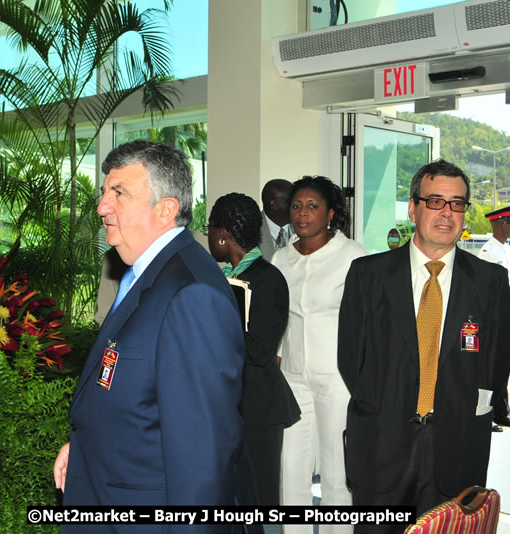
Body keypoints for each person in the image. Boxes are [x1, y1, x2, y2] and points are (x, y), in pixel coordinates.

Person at [53, 140, 246, 533]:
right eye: (104, 192)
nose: (102, 206)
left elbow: (201, 459)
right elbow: (137, 392)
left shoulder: (192, 294)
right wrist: (85, 446)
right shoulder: (148, 273)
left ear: (166, 209)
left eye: (119, 193)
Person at [338, 159, 510, 529]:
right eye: (435, 201)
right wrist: (384, 406)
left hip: (457, 451)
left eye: (457, 203)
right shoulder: (368, 275)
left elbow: (498, 363)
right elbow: (350, 359)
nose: (447, 213)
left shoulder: (490, 282)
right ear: (413, 207)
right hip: (380, 449)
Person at [271, 176, 366, 534]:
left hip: (337, 378)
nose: (302, 214)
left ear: (330, 213)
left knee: (336, 472)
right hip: (293, 377)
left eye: (312, 206)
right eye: (296, 206)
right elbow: (276, 314)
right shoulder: (281, 258)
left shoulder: (353, 256)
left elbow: (366, 319)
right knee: (291, 470)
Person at [207, 193, 300, 514]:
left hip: (259, 409)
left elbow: (260, 350)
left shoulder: (268, 279)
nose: (207, 235)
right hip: (224, 405)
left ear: (222, 235)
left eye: (209, 229)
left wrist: (209, 333)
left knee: (258, 502)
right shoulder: (216, 278)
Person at [477, 205, 510, 431]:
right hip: (493, 313)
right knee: (490, 364)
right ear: (499, 225)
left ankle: (501, 412)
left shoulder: (507, 249)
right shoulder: (488, 251)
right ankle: (485, 413)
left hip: (508, 308)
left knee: (504, 360)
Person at [259, 179, 293, 259]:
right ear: (274, 204)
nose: (296, 206)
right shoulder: (250, 231)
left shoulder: (303, 230)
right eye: (290, 201)